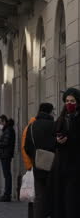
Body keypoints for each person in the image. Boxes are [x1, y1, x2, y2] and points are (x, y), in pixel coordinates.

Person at [23, 103, 56, 218]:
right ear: (50, 111)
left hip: (38, 166)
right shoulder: (54, 125)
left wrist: (34, 158)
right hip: (54, 166)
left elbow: (26, 147)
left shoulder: (31, 126)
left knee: (39, 197)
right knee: (54, 196)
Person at [53, 88, 80, 218]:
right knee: (62, 199)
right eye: (67, 101)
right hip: (62, 166)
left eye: (73, 101)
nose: (69, 104)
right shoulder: (61, 119)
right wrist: (58, 140)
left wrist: (69, 139)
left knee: (72, 200)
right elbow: (52, 139)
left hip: (76, 166)